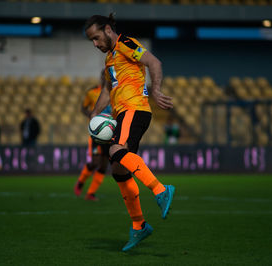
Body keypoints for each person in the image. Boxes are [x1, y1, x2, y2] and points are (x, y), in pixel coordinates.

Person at [85, 13, 175, 251]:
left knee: (116, 150)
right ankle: (139, 226)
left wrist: (155, 90)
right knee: (119, 169)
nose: (95, 44)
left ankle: (160, 189)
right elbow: (107, 89)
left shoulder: (126, 43)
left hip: (133, 109)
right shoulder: (109, 59)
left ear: (107, 29)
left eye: (96, 38)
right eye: (91, 41)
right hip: (122, 113)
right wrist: (95, 114)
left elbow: (154, 62)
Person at [74, 70, 111, 201]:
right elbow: (83, 108)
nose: (105, 77)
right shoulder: (92, 92)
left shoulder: (117, 91)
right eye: (103, 75)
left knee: (104, 165)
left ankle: (90, 193)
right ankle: (81, 181)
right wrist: (91, 115)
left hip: (111, 133)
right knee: (95, 162)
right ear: (102, 77)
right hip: (97, 133)